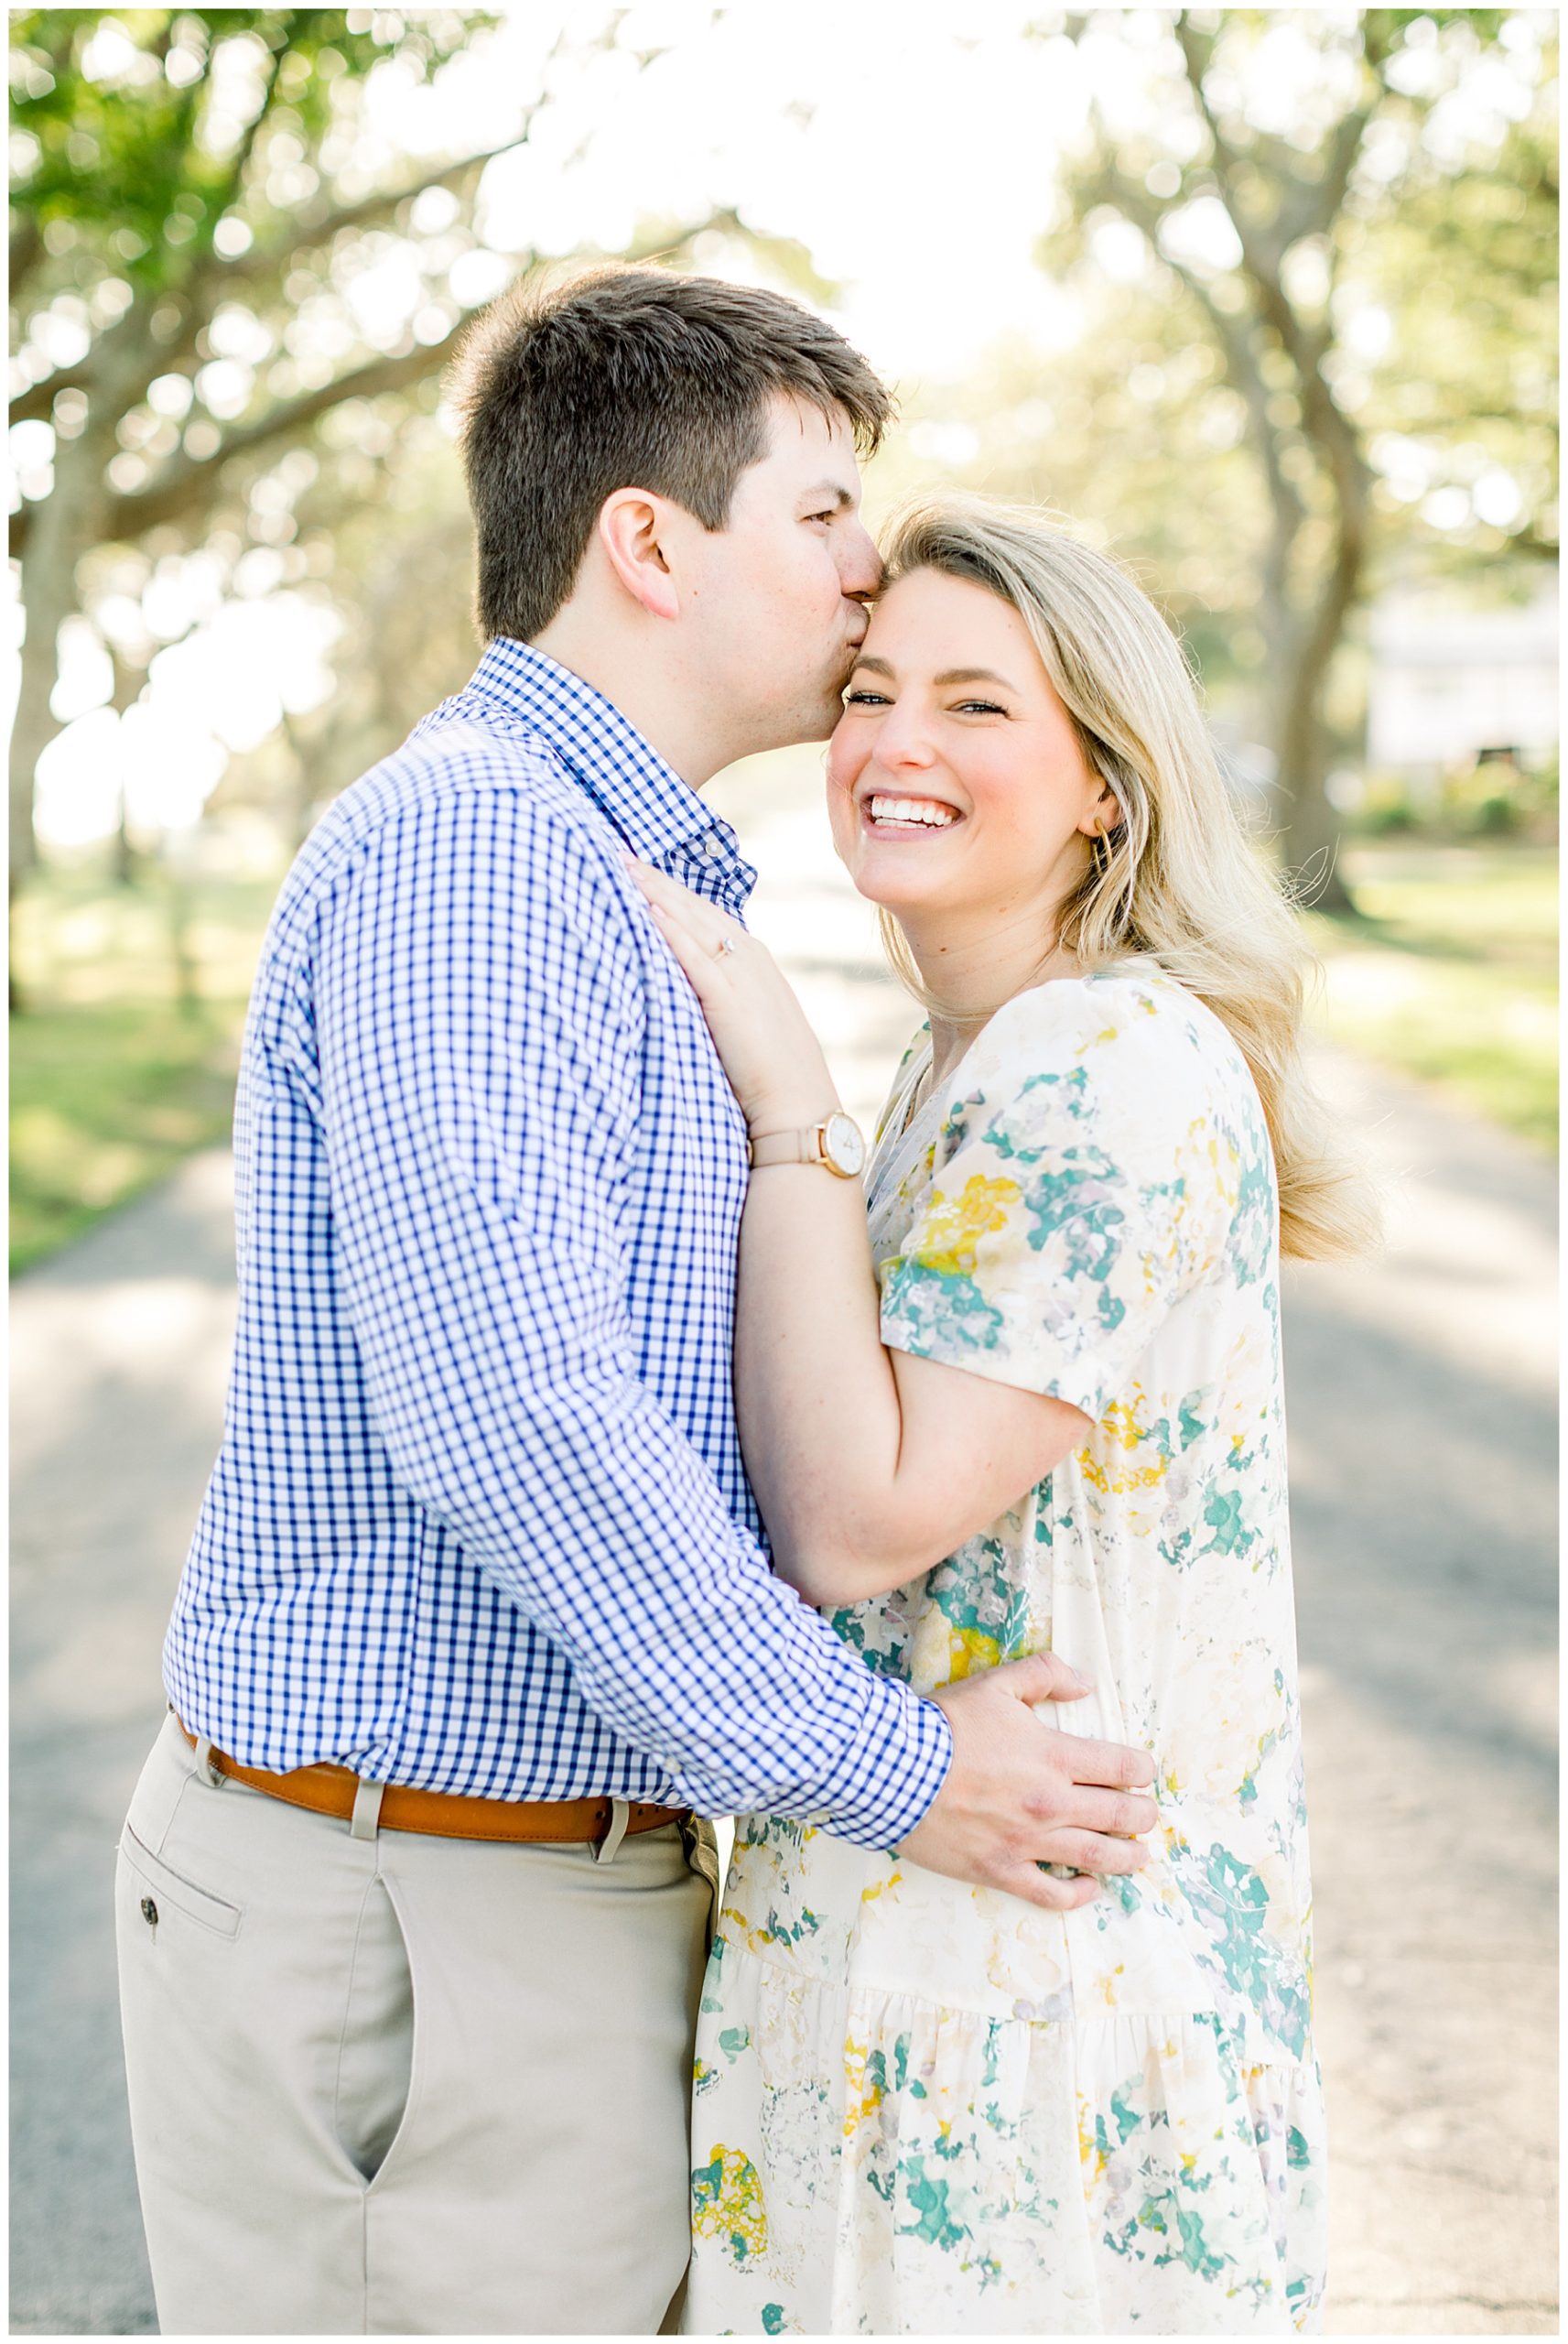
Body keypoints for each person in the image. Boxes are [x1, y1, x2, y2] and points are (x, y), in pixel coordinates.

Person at [112, 271, 1158, 2337]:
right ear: (650, 543)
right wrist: (895, 1766)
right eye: (827, 513)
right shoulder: (479, 863)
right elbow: (524, 1418)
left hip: (518, 1882)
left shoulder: (602, 871)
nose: (874, 575)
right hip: (416, 1898)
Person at [632, 495, 1376, 2335]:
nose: (893, 741)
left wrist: (783, 1109)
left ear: (1103, 784)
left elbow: (858, 1516)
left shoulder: (1095, 1060)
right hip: (920, 1939)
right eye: (873, 687)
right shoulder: (968, 1050)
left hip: (1013, 1993)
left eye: (976, 705)